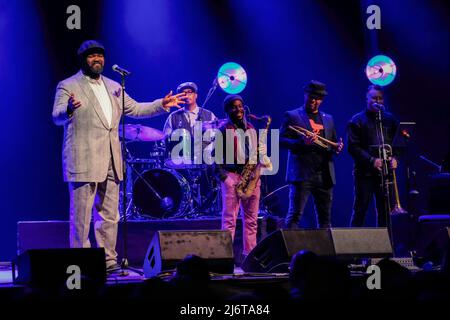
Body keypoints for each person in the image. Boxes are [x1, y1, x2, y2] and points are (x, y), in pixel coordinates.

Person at [52, 40, 186, 273]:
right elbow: (57, 116)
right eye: (92, 56)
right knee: (81, 218)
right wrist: (69, 109)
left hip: (112, 161)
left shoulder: (114, 86)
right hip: (83, 159)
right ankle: (82, 263)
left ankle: (107, 260)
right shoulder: (68, 85)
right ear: (83, 59)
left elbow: (135, 109)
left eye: (100, 56)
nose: (98, 59)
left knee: (109, 216)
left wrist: (161, 104)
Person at [280, 80, 343, 229]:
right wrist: (302, 142)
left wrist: (337, 147)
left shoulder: (329, 118)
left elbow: (331, 142)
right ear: (305, 95)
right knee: (295, 215)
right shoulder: (292, 115)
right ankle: (291, 252)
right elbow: (280, 141)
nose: (314, 101)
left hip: (324, 174)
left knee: (325, 219)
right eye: (311, 97)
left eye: (318, 98)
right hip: (302, 174)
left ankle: (325, 252)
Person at [215, 95, 272, 258]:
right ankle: (224, 258)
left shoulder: (252, 128)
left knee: (251, 221)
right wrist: (225, 178)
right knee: (229, 221)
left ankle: (250, 257)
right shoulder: (223, 130)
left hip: (252, 179)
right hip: (233, 177)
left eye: (240, 106)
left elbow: (257, 154)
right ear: (227, 110)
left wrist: (259, 168)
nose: (238, 109)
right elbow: (214, 159)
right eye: (234, 106)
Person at [347, 84, 399, 227]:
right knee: (360, 210)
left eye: (380, 98)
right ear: (367, 99)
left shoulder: (390, 119)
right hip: (365, 174)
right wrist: (371, 160)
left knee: (385, 212)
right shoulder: (357, 120)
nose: (378, 101)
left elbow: (397, 143)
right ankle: (352, 246)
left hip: (385, 173)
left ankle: (385, 246)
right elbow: (353, 148)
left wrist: (395, 158)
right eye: (374, 98)